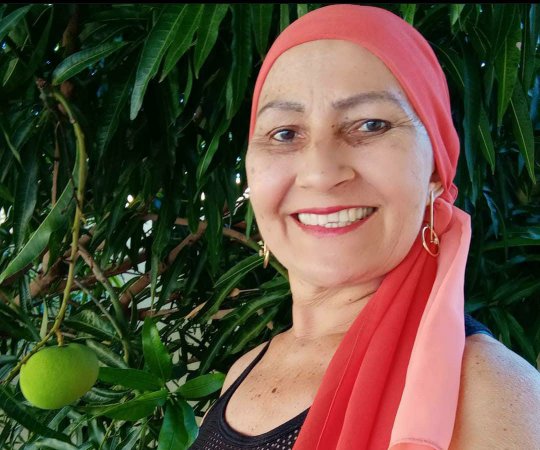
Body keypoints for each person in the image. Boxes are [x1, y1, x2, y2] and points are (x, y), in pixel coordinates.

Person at [189, 5, 540, 449]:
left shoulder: (488, 391)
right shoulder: (245, 370)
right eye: (285, 133)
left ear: (436, 169)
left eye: (371, 125)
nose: (320, 172)